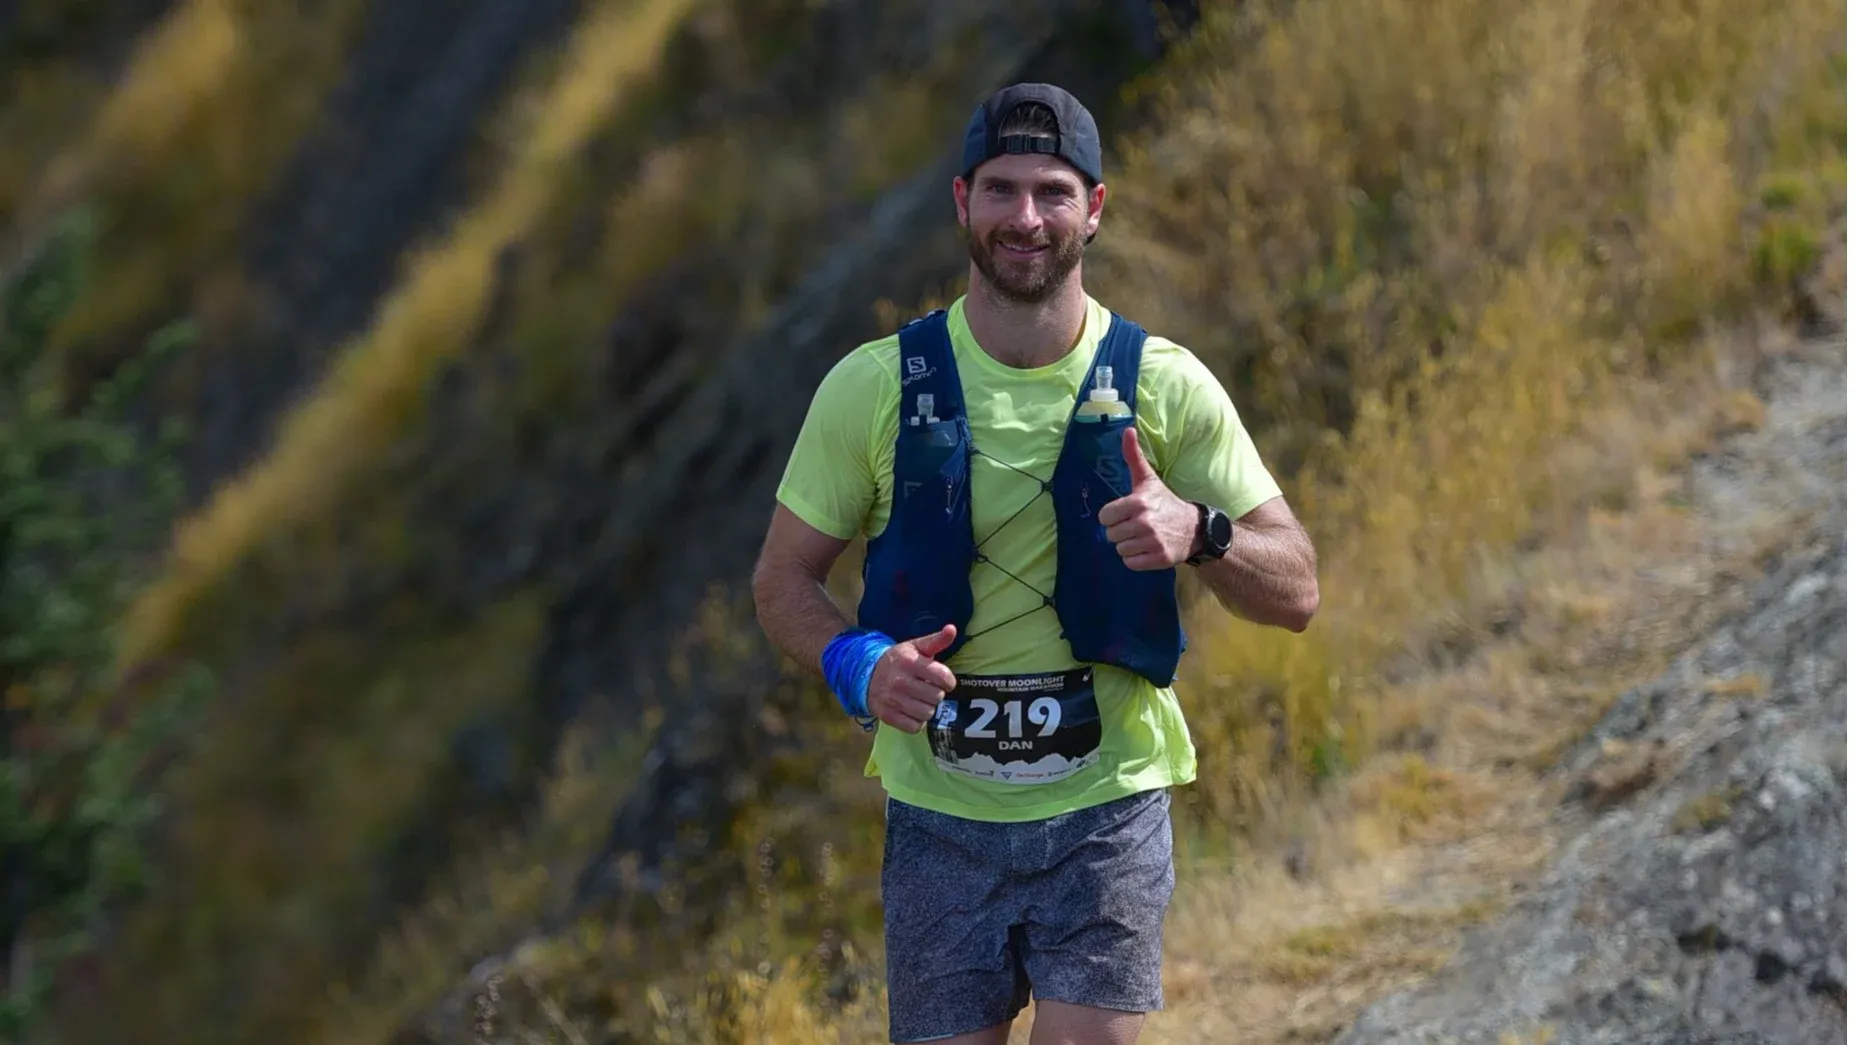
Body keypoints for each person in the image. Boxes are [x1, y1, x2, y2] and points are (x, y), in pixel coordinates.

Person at [751, 82, 1320, 1045]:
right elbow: (779, 582)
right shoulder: (874, 386)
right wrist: (859, 666)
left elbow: (1297, 586)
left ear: (1094, 209)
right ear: (961, 200)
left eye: (1053, 192)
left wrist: (1200, 530)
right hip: (938, 818)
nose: (1026, 219)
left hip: (1108, 803)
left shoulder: (1163, 383)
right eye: (1003, 191)